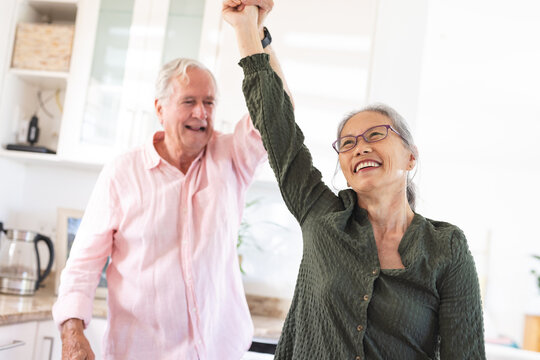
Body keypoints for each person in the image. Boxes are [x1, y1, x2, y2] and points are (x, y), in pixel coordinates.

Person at [223, 2, 486, 359]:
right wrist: (247, 29)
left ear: (411, 155)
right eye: (348, 143)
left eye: (376, 135)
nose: (360, 147)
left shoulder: (446, 248)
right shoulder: (321, 217)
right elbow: (277, 122)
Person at [53, 1, 288, 358]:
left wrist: (256, 35)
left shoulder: (231, 157)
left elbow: (277, 111)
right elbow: (83, 264)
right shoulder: (122, 173)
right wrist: (73, 333)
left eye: (209, 102)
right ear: (160, 108)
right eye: (189, 101)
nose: (201, 112)